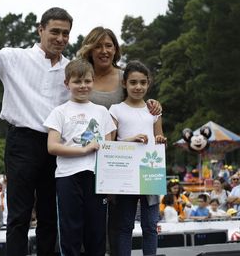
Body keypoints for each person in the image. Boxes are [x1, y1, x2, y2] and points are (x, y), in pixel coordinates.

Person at [0, 0, 73, 254]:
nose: (60, 38)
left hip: (56, 145)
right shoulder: (16, 58)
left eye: (65, 33)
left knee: (50, 216)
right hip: (22, 143)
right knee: (19, 214)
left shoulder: (71, 69)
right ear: (40, 30)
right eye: (55, 31)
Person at [77, 26, 162, 255]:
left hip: (122, 161)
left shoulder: (125, 76)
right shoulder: (81, 74)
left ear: (116, 49)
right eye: (98, 45)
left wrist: (154, 107)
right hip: (83, 155)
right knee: (87, 218)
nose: (104, 50)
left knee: (120, 223)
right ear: (90, 48)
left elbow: (141, 104)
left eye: (109, 45)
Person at [44, 58, 116, 255]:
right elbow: (52, 146)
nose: (83, 86)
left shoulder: (102, 112)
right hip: (68, 177)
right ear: (67, 83)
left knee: (97, 231)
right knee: (70, 230)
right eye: (77, 81)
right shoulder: (59, 112)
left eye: (87, 81)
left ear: (93, 81)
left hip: (96, 179)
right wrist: (83, 150)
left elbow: (110, 148)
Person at [107, 60, 166, 256]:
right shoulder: (115, 109)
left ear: (148, 83)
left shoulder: (154, 111)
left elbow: (160, 140)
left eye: (142, 82)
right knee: (125, 226)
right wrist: (130, 140)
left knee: (150, 226)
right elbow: (109, 144)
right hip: (126, 174)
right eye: (133, 82)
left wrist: (160, 140)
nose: (138, 87)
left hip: (150, 172)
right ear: (124, 83)